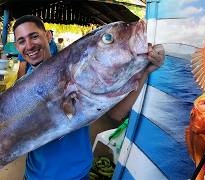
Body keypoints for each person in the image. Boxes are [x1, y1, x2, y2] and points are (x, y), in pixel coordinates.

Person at [13, 15, 165, 180]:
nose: (29, 45)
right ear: (17, 47)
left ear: (48, 35)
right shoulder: (19, 90)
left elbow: (116, 115)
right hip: (36, 176)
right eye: (22, 41)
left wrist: (145, 71)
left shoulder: (76, 71)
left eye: (34, 36)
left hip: (78, 175)